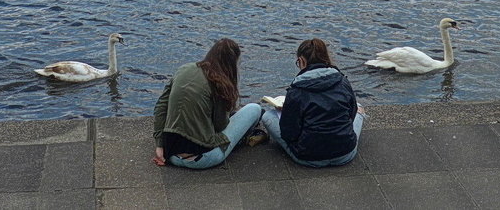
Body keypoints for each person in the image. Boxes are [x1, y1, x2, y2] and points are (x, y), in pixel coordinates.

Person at [152, 38, 263, 170]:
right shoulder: (220, 83)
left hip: (170, 155)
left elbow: (160, 107)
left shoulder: (183, 69)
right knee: (255, 109)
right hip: (202, 158)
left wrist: (160, 145)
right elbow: (220, 125)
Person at [261, 38, 364, 167]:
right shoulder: (342, 81)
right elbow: (351, 115)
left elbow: (289, 133)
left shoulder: (297, 90)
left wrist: (288, 112)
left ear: (302, 60)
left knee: (268, 116)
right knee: (359, 107)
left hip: (308, 157)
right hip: (345, 153)